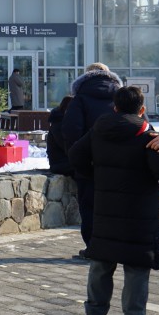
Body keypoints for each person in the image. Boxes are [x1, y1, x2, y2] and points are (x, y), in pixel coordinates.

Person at [68, 85, 159, 315]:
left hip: (105, 210)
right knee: (136, 269)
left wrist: (93, 177)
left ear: (115, 107)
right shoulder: (148, 136)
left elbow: (76, 154)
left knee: (101, 262)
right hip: (140, 214)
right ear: (142, 109)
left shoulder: (98, 130)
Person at [63, 62, 123, 258]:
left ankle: (94, 247)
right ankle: (116, 245)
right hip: (121, 164)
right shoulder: (123, 97)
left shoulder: (79, 99)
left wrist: (78, 160)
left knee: (89, 207)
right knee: (116, 205)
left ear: (86, 76)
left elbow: (72, 132)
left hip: (90, 164)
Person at [47, 95, 74, 176]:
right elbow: (66, 145)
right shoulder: (59, 124)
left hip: (63, 162)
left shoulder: (60, 122)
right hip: (60, 164)